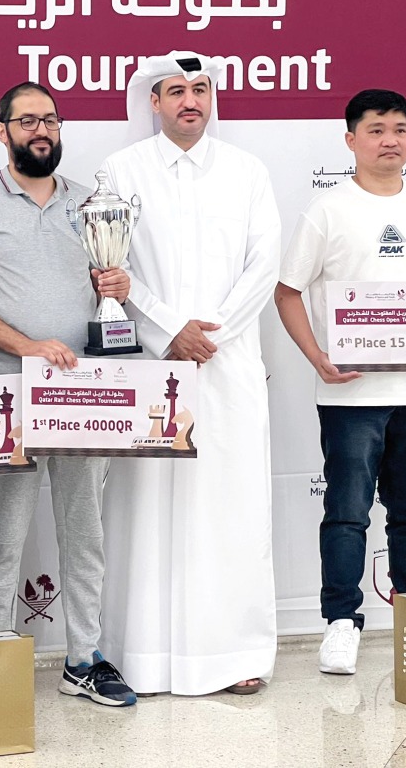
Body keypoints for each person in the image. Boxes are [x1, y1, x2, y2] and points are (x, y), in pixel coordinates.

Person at [275, 89, 406, 675]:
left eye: (400, 128)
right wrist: (318, 356)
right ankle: (342, 624)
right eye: (375, 129)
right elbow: (287, 290)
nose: (389, 139)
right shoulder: (327, 210)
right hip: (350, 395)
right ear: (351, 140)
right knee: (347, 513)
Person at [0, 82, 136, 707]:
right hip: (9, 397)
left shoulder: (91, 203)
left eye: (50, 119)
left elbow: (108, 294)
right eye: (27, 121)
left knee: (86, 535)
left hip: (82, 398)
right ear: (3, 133)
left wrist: (118, 286)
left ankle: (85, 657)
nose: (41, 130)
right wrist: (27, 347)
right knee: (2, 539)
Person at [97, 51, 280, 696]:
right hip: (153, 364)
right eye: (176, 90)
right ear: (153, 101)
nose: (190, 101)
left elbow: (265, 264)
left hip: (227, 366)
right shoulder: (120, 171)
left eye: (200, 89)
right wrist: (169, 327)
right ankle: (140, 657)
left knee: (227, 505)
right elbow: (114, 268)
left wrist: (212, 333)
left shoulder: (247, 171)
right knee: (147, 507)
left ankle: (231, 656)